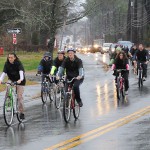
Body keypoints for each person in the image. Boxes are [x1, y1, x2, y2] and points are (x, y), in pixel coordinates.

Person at [0, 53, 26, 119]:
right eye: (9, 57)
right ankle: (8, 102)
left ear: (15, 58)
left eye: (11, 57)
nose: (10, 59)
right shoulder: (7, 64)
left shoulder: (18, 63)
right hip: (11, 79)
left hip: (20, 81)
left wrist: (20, 79)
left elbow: (21, 72)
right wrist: (0, 80)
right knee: (8, 87)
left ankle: (22, 112)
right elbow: (4, 73)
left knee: (19, 97)